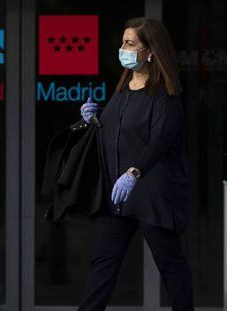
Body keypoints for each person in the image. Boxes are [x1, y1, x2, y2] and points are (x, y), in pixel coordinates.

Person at [77, 17, 195, 310]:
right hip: (118, 197)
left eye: (130, 44)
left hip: (152, 193)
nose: (123, 49)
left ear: (151, 51)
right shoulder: (124, 88)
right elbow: (116, 131)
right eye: (123, 42)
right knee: (103, 265)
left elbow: (160, 142)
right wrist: (92, 118)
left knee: (171, 265)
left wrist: (134, 172)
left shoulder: (165, 96)